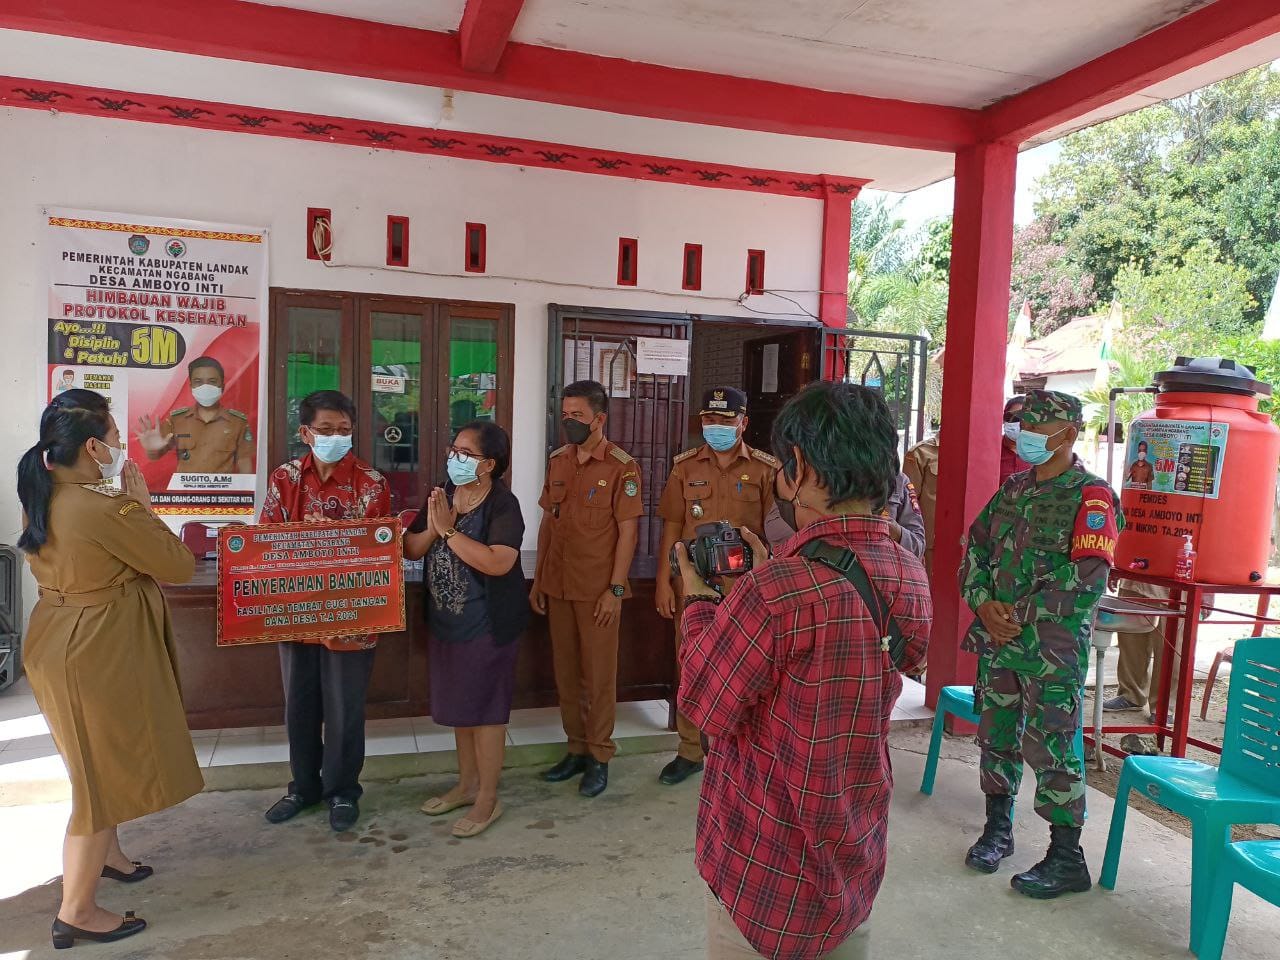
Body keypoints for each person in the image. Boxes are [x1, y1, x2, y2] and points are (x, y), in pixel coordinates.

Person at [676, 382, 931, 960]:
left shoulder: (774, 590)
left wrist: (701, 603)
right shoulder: (908, 570)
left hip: (764, 867)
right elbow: (893, 654)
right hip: (853, 850)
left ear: (797, 467)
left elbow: (705, 704)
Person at [17, 390, 201, 949]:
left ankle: (110, 857)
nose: (123, 446)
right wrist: (141, 506)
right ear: (94, 447)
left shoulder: (45, 492)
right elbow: (179, 565)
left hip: (60, 636)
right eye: (117, 437)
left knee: (96, 763)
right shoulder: (103, 507)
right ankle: (76, 911)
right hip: (93, 650)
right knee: (97, 782)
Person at [960, 389, 1121, 899]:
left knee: (1052, 743)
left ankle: (1066, 857)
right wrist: (983, 603)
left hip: (1051, 648)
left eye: (1036, 428)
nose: (1024, 435)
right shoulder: (1012, 490)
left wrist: (1017, 615)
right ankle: (997, 829)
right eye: (1022, 425)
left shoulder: (1092, 497)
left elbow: (1089, 576)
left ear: (1067, 434)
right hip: (999, 640)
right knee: (996, 735)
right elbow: (975, 549)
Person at [260, 390, 391, 833]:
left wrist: (334, 537)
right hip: (295, 612)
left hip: (351, 615)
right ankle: (303, 787)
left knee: (344, 708)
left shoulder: (371, 483)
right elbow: (266, 540)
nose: (336, 437)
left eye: (344, 430)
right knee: (299, 706)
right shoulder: (284, 479)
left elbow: (377, 550)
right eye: (326, 429)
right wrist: (306, 538)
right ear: (305, 432)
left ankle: (343, 790)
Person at [404, 421, 529, 838]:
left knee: (486, 714)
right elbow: (410, 547)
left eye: (465, 453)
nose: (454, 458)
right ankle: (466, 785)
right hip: (446, 622)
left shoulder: (503, 504)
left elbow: (499, 562)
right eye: (453, 449)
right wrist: (436, 525)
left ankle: (487, 799)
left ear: (489, 464)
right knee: (461, 710)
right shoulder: (444, 493)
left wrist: (449, 531)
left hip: (488, 625)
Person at [655, 386, 778, 786]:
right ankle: (690, 750)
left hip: (747, 590)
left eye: (726, 420)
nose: (717, 427)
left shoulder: (766, 470)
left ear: (744, 423)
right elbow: (672, 525)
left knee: (747, 669)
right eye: (710, 419)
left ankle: (740, 749)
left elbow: (775, 533)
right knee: (691, 664)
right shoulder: (685, 467)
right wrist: (663, 581)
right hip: (695, 585)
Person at [530, 380, 642, 798]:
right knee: (566, 674)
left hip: (597, 591)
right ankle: (575, 749)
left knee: (598, 678)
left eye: (577, 415)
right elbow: (548, 523)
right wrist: (539, 579)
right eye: (565, 415)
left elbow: (628, 532)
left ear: (599, 419)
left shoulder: (621, 467)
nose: (570, 422)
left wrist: (615, 590)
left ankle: (599, 756)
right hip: (558, 585)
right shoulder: (558, 461)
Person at [765, 470, 923, 560]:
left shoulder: (898, 480)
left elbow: (918, 545)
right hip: (810, 578)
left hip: (881, 580)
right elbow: (774, 528)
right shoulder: (811, 474)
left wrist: (893, 531)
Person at [135, 356, 254, 474]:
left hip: (224, 486)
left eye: (212, 381)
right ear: (191, 386)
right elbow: (155, 455)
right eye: (198, 382)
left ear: (222, 386)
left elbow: (244, 463)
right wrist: (151, 449)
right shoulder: (176, 420)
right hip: (185, 487)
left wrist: (246, 486)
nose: (205, 387)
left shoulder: (238, 422)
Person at [903, 432, 940, 576]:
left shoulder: (974, 449)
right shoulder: (920, 453)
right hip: (931, 542)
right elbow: (908, 503)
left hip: (964, 538)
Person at [1000, 395, 1030, 482]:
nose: (1020, 424)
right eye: (1015, 418)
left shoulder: (1040, 453)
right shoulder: (992, 451)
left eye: (1026, 419)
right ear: (1004, 419)